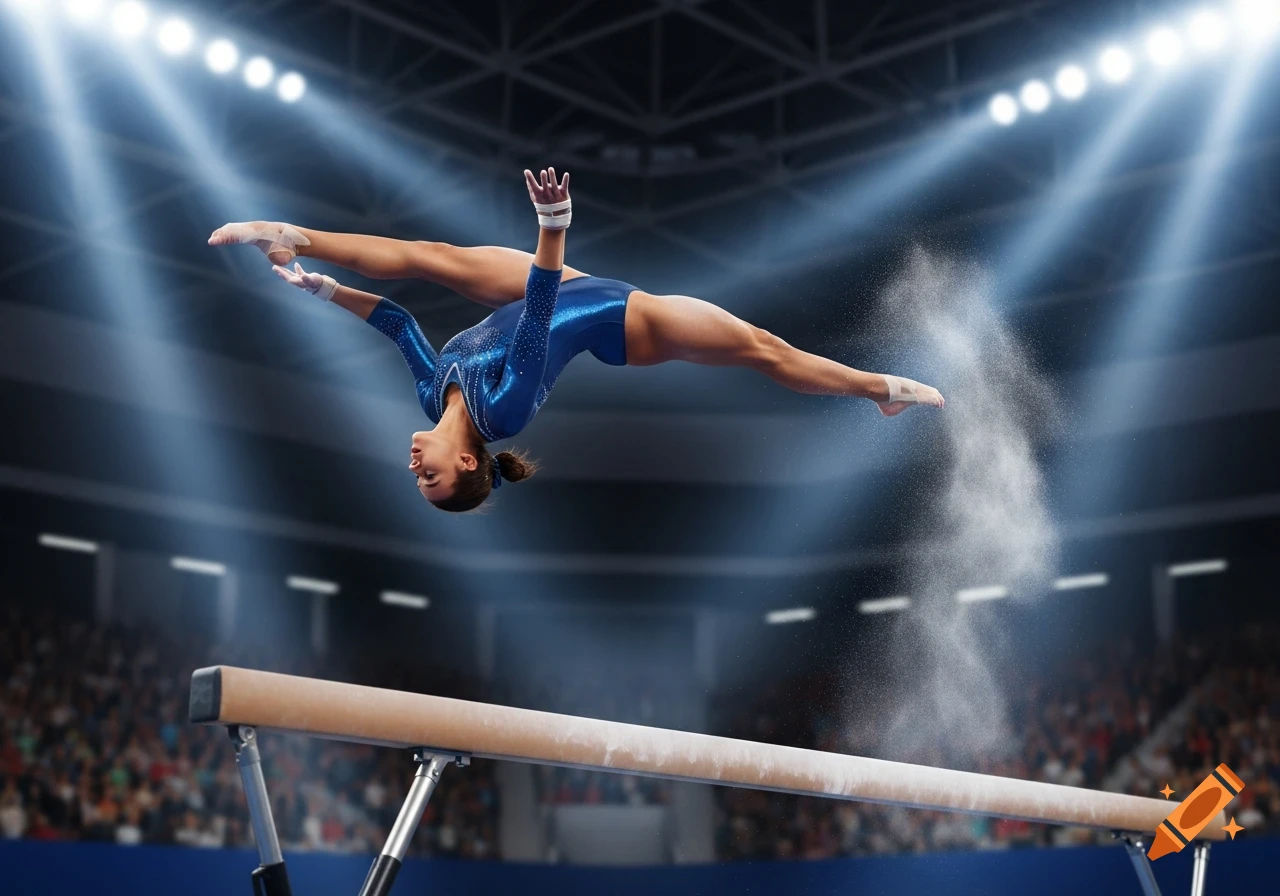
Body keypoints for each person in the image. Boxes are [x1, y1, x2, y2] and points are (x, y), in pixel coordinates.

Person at [210, 168, 943, 513]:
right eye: (431, 477)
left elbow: (398, 321)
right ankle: (880, 389)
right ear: (468, 461)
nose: (414, 467)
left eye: (417, 480)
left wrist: (319, 286)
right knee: (762, 349)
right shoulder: (506, 409)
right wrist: (553, 227)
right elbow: (538, 309)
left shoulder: (434, 390)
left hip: (558, 281)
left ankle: (290, 231)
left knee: (432, 256)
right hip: (621, 318)